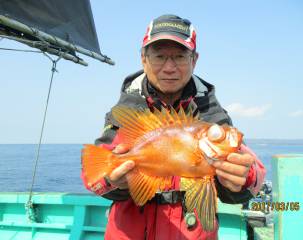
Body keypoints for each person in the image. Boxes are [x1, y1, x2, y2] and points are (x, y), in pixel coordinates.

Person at [82, 14, 266, 240]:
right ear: (143, 59)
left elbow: (253, 169)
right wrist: (112, 180)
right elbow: (93, 174)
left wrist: (244, 177)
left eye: (179, 56)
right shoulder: (127, 112)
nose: (169, 68)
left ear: (194, 60)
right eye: (159, 56)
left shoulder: (212, 114)